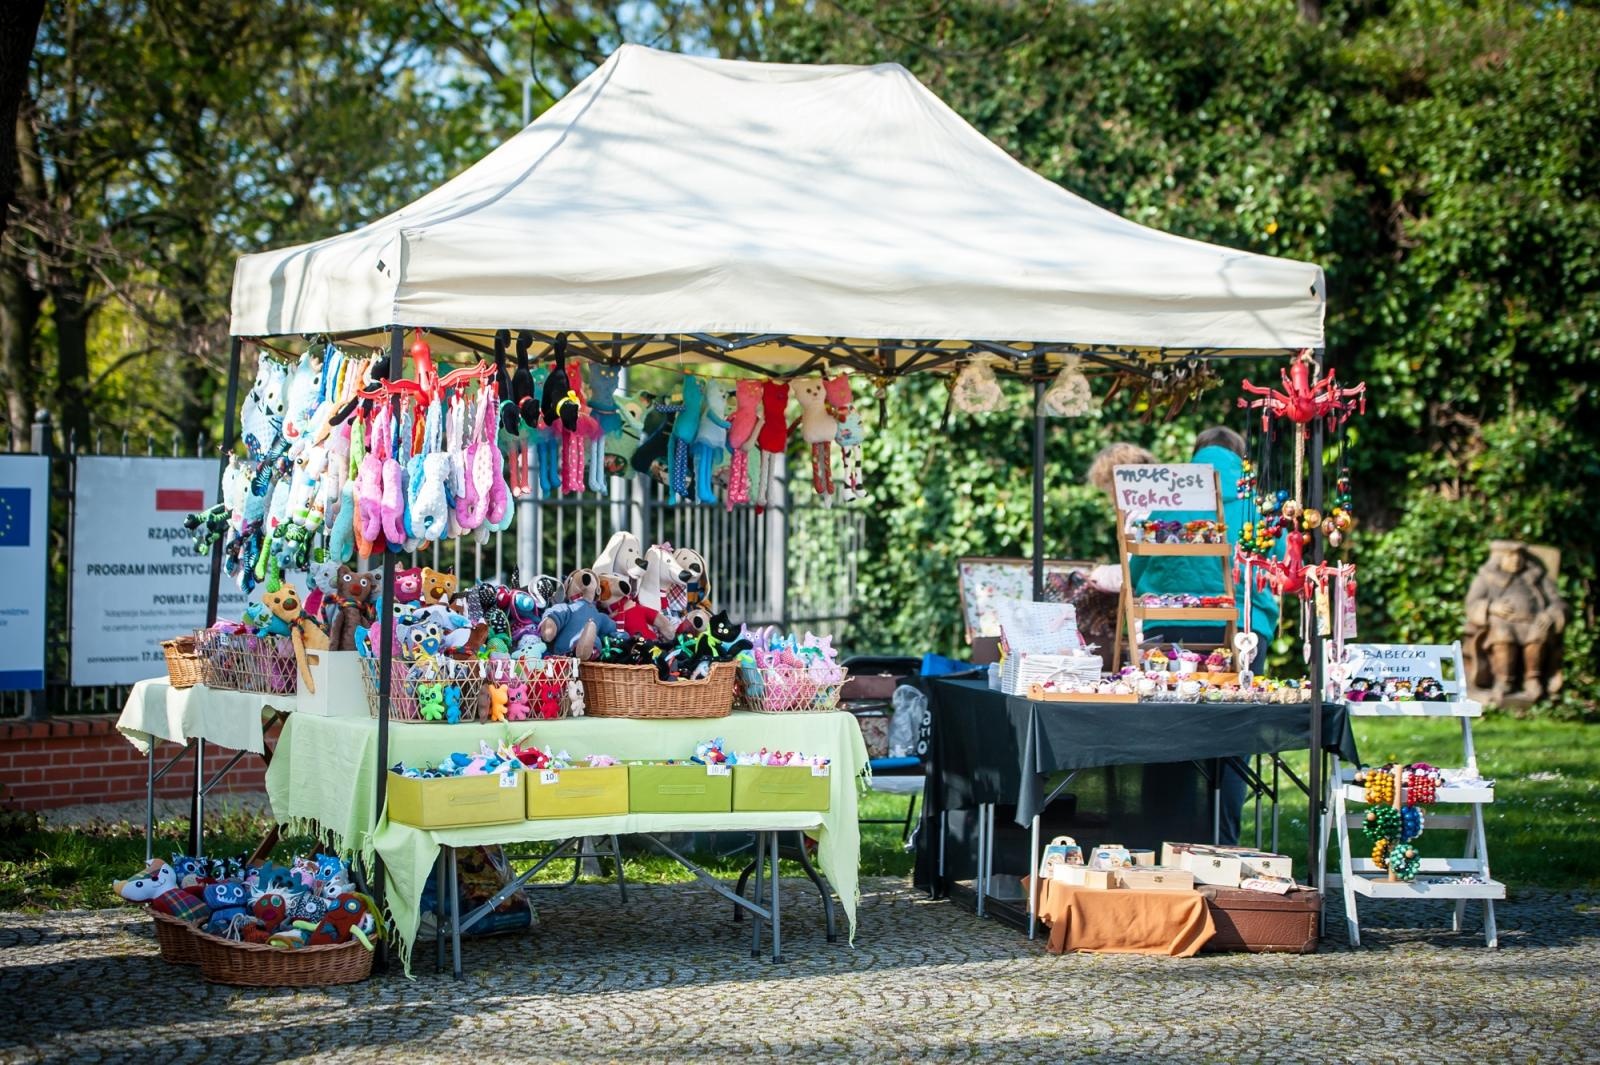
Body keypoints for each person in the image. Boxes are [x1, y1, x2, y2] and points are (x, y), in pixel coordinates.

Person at [1128, 426, 1281, 846]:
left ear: (1196, 454)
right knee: (1232, 738)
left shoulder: (1165, 498)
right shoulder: (1256, 504)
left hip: (1172, 627)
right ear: (1240, 456)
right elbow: (1282, 564)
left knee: (1167, 737)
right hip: (1244, 633)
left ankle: (1160, 842)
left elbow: (1136, 569)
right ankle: (1223, 841)